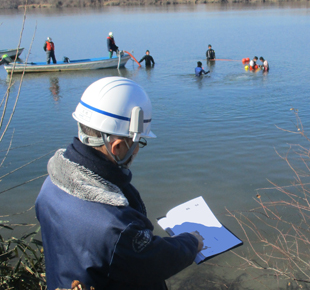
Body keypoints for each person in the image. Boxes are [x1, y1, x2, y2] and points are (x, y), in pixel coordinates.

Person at [35, 77, 204, 290]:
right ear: (116, 146)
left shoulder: (50, 187)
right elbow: (154, 260)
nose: (137, 150)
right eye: (137, 142)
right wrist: (191, 242)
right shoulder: (114, 227)